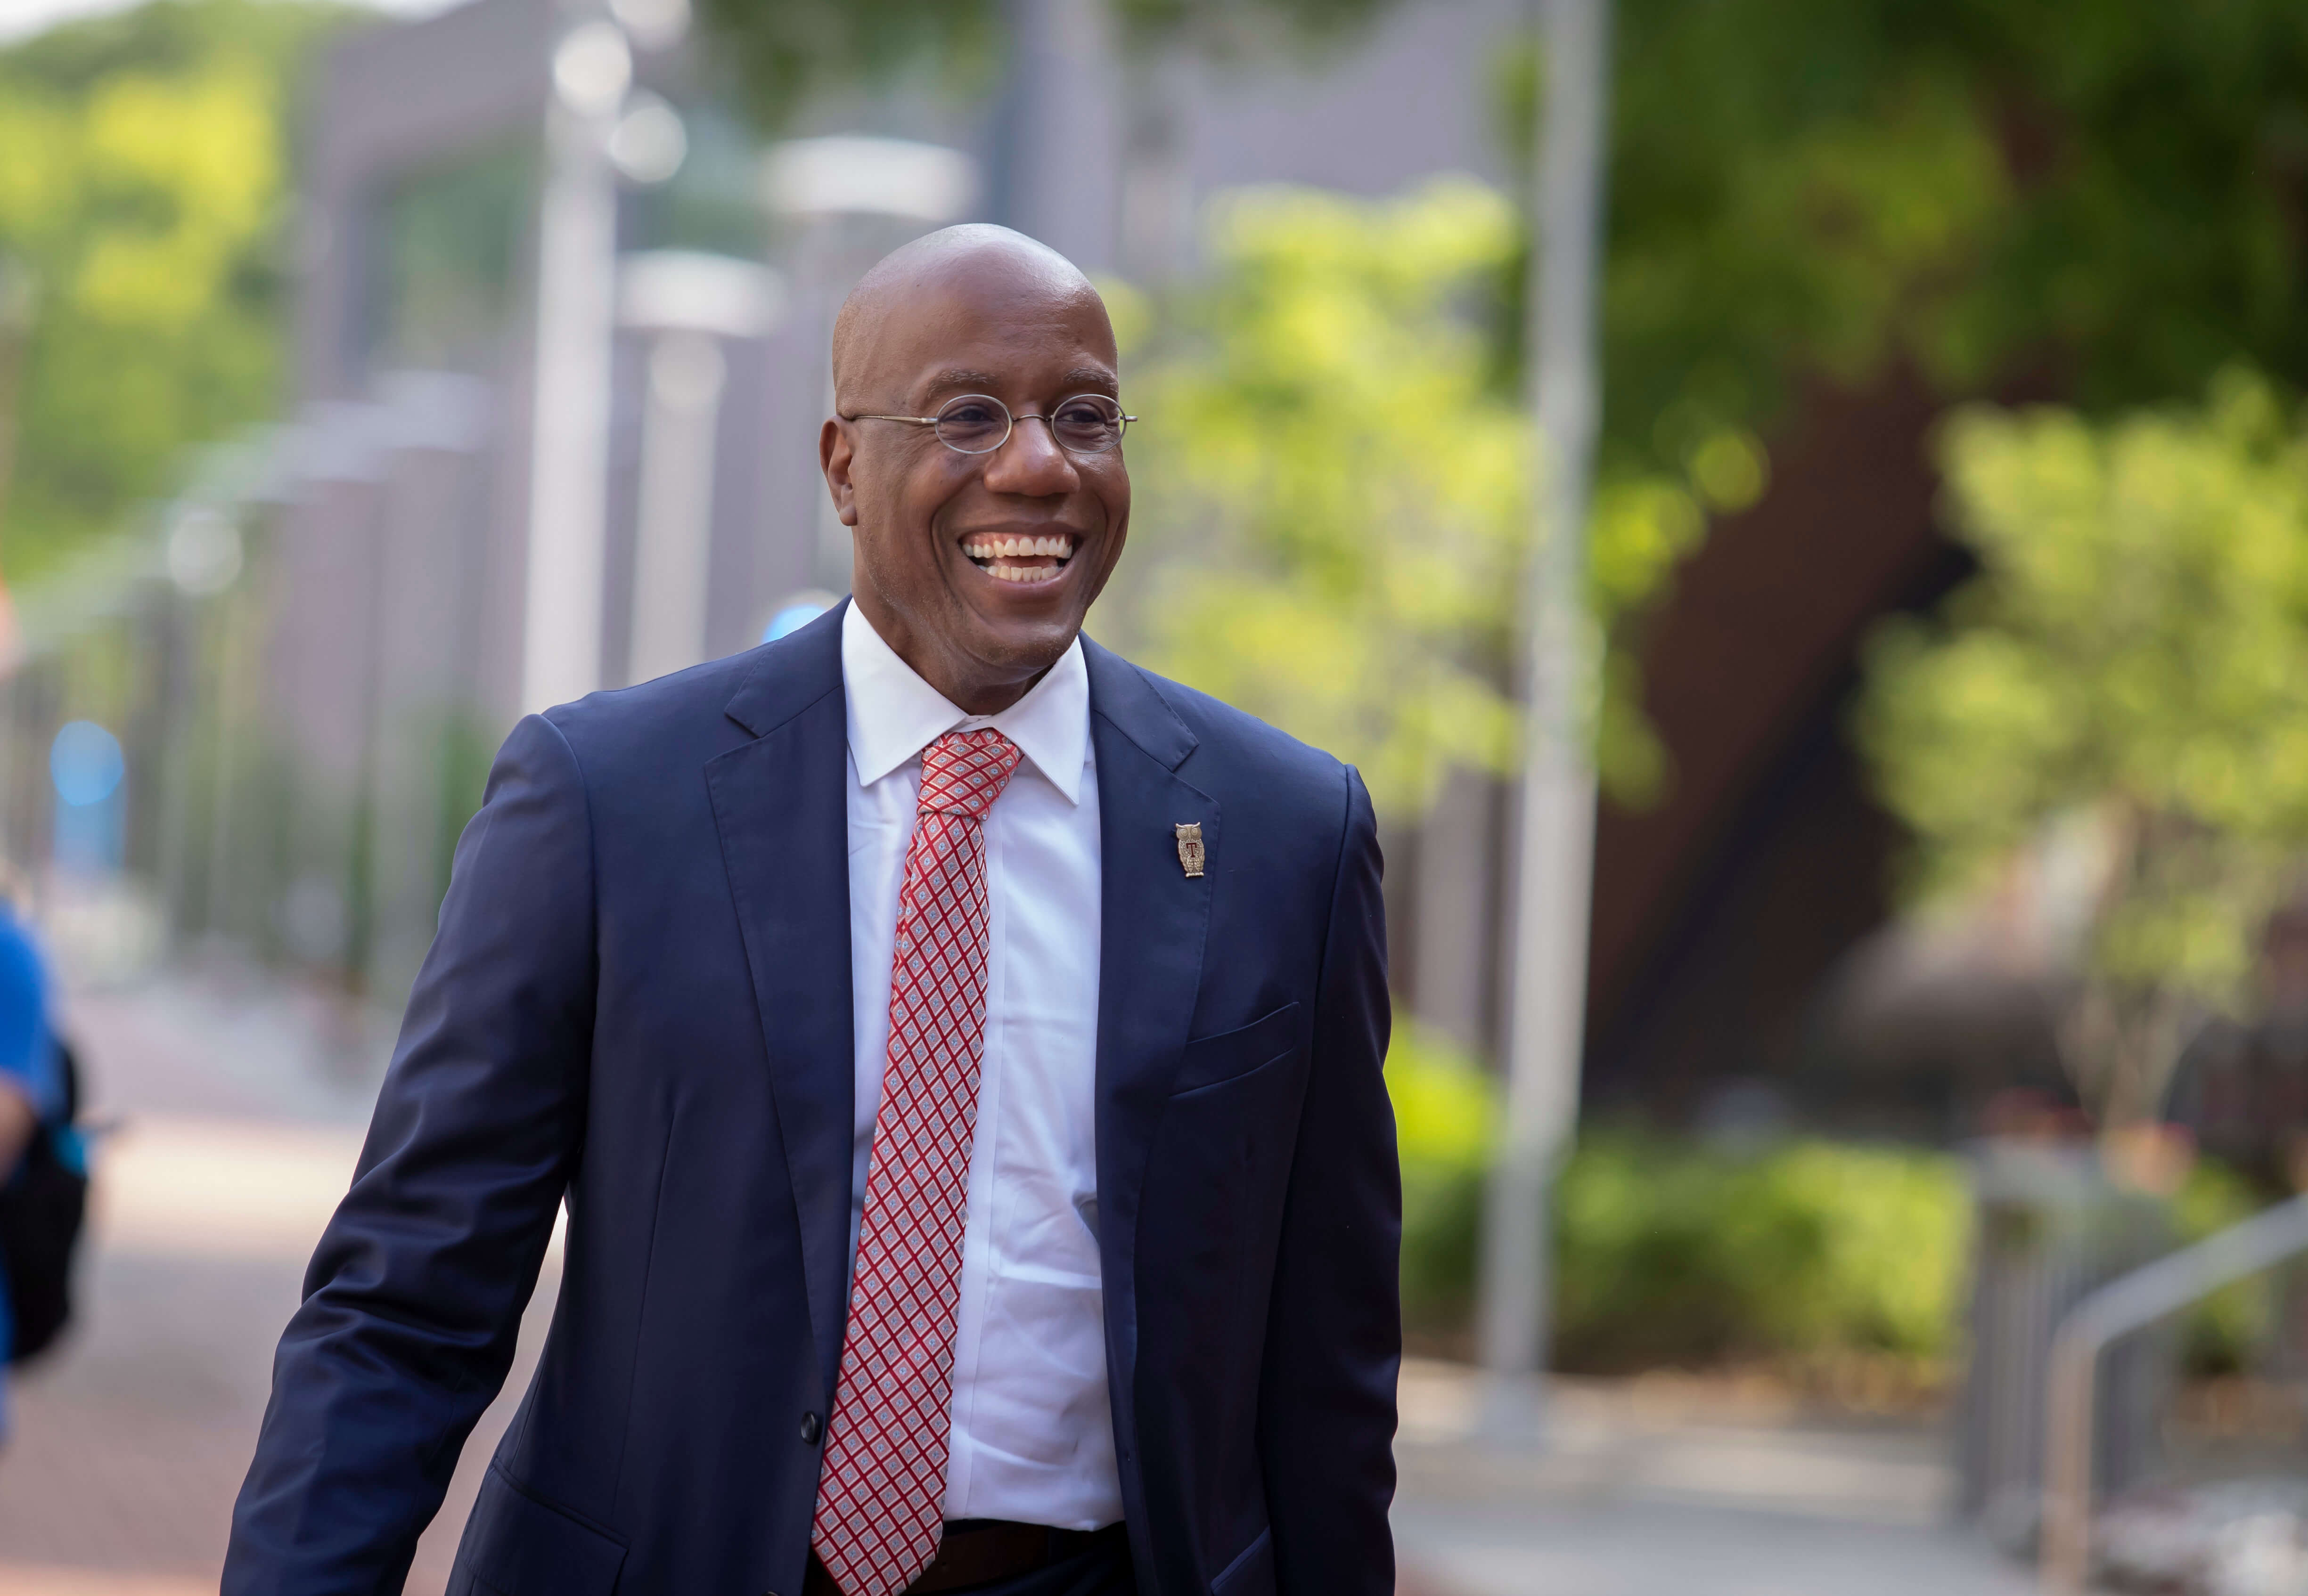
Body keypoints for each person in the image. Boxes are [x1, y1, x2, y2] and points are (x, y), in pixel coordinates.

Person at [225, 225, 1398, 1596]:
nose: (1037, 464)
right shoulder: (608, 799)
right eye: (968, 414)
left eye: (1084, 415)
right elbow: (407, 1301)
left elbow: (1327, 1368)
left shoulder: (1283, 833)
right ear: (844, 466)